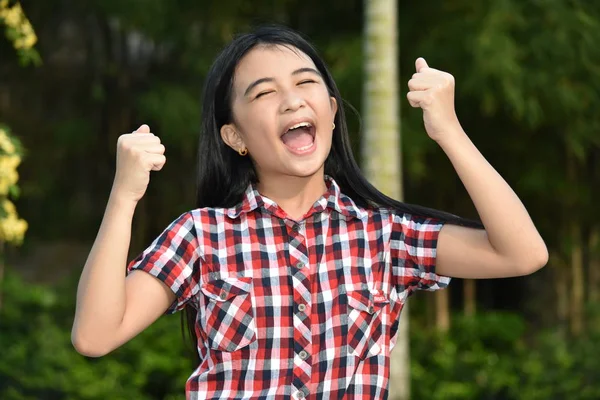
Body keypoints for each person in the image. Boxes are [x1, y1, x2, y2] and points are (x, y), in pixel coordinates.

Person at [71, 25, 548, 399]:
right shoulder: (201, 236)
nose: (293, 99)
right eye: (263, 93)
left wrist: (449, 131)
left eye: (305, 83)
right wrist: (124, 196)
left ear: (331, 109)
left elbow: (522, 254)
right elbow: (95, 335)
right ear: (234, 137)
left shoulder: (384, 236)